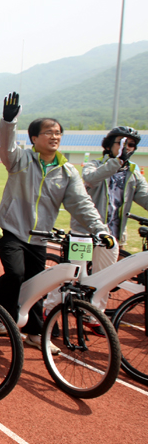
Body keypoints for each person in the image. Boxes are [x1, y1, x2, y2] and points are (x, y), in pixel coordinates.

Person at [0, 92, 115, 353]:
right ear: (34, 138)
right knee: (15, 274)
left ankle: (36, 333)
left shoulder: (67, 171)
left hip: (39, 235)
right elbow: (5, 146)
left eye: (58, 132)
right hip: (11, 230)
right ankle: (1, 315)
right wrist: (8, 122)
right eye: (48, 132)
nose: (54, 136)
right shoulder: (21, 160)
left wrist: (100, 231)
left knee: (37, 284)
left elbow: (81, 204)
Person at [52, 126, 148, 315]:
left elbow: (145, 197)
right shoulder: (94, 164)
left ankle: (94, 316)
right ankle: (52, 309)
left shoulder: (133, 173)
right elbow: (90, 179)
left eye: (130, 145)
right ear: (109, 145)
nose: (126, 147)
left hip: (111, 236)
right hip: (84, 233)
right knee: (72, 276)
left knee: (105, 281)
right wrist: (117, 162)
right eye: (121, 143)